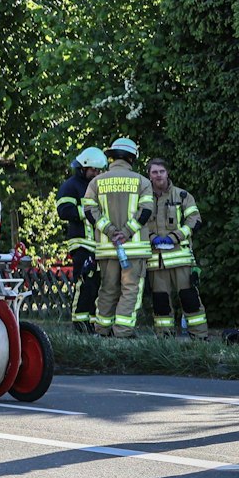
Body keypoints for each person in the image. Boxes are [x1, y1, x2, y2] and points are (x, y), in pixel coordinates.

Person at [81, 137, 156, 338]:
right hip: (134, 248)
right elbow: (146, 210)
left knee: (107, 289)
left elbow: (89, 210)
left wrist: (110, 231)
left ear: (111, 157)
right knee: (130, 290)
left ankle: (102, 330)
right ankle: (122, 332)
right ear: (132, 158)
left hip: (106, 248)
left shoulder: (97, 182)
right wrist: (126, 232)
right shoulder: (142, 181)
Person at [144, 158, 209, 338]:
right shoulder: (143, 198)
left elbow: (195, 220)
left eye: (161, 171)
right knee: (160, 302)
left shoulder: (182, 196)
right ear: (149, 175)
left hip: (180, 258)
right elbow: (138, 223)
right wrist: (151, 237)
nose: (158, 175)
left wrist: (175, 237)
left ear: (167, 173)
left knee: (190, 299)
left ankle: (200, 338)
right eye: (154, 172)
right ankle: (165, 340)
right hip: (156, 261)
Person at [56, 147, 105, 334]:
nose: (97, 173)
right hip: (81, 243)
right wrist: (89, 213)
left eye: (99, 170)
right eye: (94, 170)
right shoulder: (71, 185)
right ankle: (80, 323)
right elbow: (64, 211)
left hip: (100, 245)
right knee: (84, 282)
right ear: (83, 168)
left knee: (97, 285)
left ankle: (93, 323)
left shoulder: (99, 186)